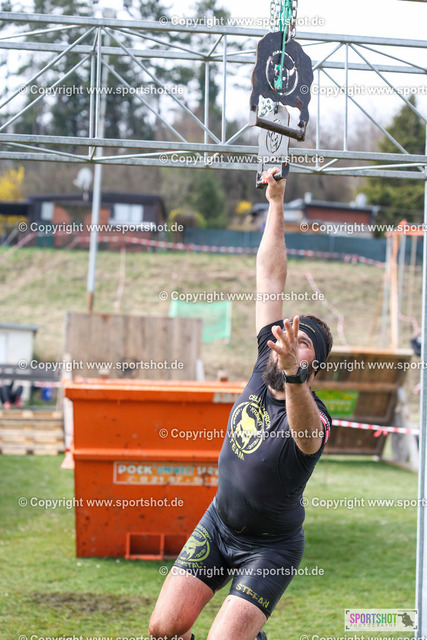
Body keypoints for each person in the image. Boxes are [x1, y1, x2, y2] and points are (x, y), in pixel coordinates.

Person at [149, 167, 333, 640]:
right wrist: (276, 202)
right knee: (164, 629)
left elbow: (306, 437)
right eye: (286, 331)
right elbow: (269, 274)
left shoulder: (313, 415)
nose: (287, 339)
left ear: (314, 366)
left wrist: (294, 374)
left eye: (302, 342)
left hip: (271, 549)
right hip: (219, 524)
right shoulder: (260, 363)